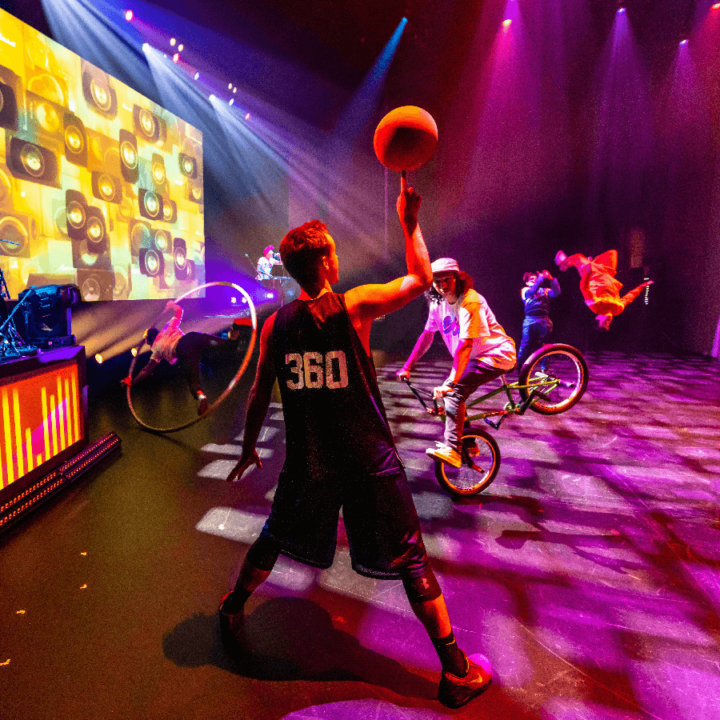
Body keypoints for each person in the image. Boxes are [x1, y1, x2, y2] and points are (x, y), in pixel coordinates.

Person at [221, 179, 492, 709]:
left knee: (275, 535)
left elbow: (257, 395)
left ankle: (232, 607)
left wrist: (249, 447)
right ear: (323, 263)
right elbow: (419, 279)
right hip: (368, 459)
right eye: (336, 254)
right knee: (411, 557)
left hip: (310, 462)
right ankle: (455, 671)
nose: (340, 261)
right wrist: (410, 222)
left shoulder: (276, 326)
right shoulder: (355, 307)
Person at [397, 259, 516, 469]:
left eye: (446, 281)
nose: (442, 286)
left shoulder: (470, 302)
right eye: (437, 282)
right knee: (453, 394)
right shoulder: (437, 303)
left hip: (496, 354)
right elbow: (426, 336)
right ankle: (469, 444)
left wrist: (451, 382)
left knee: (453, 392)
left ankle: (453, 449)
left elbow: (465, 346)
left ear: (457, 278)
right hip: (472, 358)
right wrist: (407, 366)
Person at [122, 301, 242, 415]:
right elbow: (179, 311)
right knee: (224, 345)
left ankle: (202, 399)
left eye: (147, 341)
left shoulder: (155, 350)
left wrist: (132, 382)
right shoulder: (167, 327)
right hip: (193, 338)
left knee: (194, 382)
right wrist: (172, 305)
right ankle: (235, 330)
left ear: (149, 340)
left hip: (184, 351)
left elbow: (146, 370)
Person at [555, 249, 653, 330]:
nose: (608, 321)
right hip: (608, 271)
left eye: (604, 323)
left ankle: (564, 263)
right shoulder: (618, 308)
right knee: (613, 252)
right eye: (608, 324)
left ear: (598, 317)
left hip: (593, 274)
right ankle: (593, 261)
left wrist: (587, 273)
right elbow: (629, 297)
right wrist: (642, 287)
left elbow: (584, 287)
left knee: (578, 257)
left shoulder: (594, 305)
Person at [517, 269, 561, 371]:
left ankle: (544, 369)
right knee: (525, 345)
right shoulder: (525, 290)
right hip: (530, 320)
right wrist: (540, 278)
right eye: (531, 279)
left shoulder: (544, 290)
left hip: (544, 319)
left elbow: (557, 293)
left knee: (546, 346)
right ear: (527, 282)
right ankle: (519, 368)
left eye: (535, 279)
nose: (534, 280)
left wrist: (551, 279)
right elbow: (532, 291)